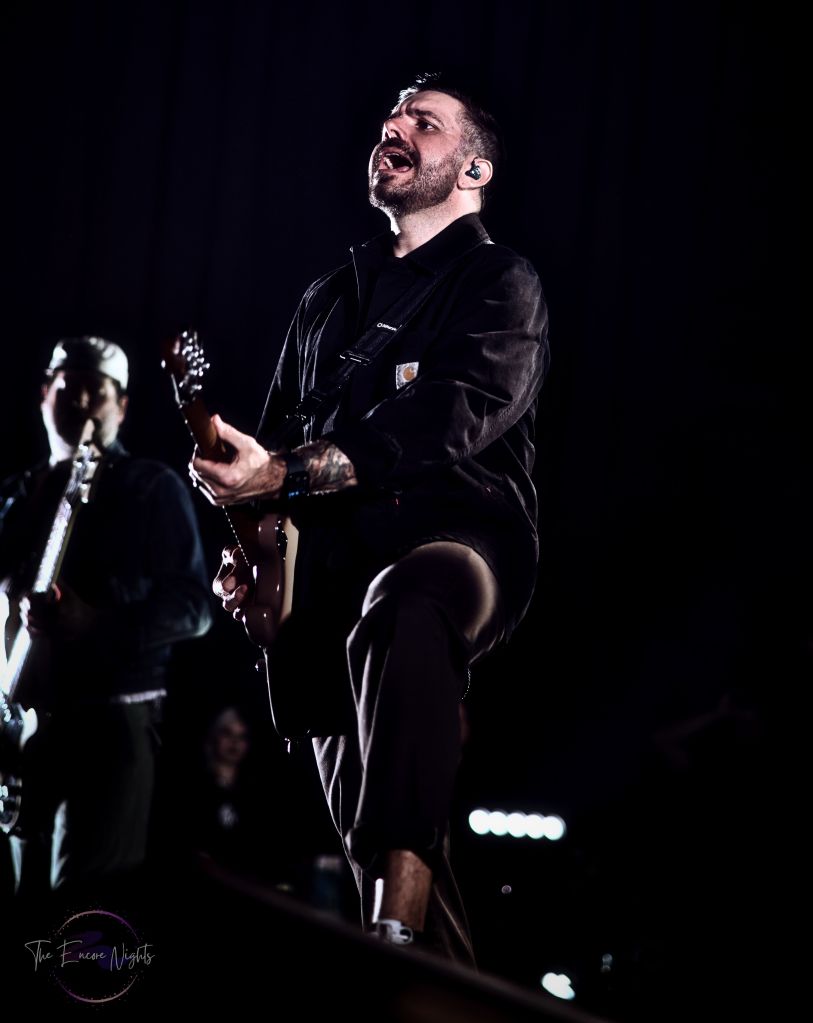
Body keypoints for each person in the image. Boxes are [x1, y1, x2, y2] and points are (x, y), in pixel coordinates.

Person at [190, 74, 549, 963]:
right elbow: (273, 452)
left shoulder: (498, 279)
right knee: (369, 830)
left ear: (474, 169)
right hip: (327, 582)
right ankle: (425, 968)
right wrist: (250, 549)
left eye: (424, 122)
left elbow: (452, 414)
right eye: (392, 117)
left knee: (405, 607)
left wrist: (282, 471)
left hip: (455, 542)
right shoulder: (328, 297)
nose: (395, 127)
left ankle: (394, 928)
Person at [0, 336, 212, 896]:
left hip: (108, 725)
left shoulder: (150, 487)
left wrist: (95, 622)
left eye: (98, 391)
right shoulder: (14, 498)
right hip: (19, 727)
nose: (82, 401)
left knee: (83, 911)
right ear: (44, 394)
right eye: (69, 387)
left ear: (123, 406)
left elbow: (193, 608)